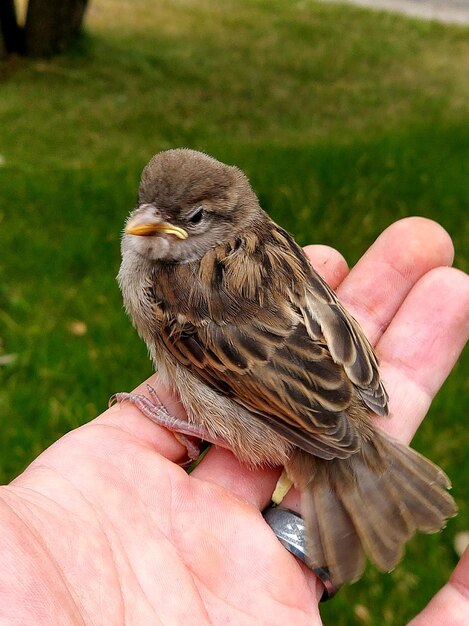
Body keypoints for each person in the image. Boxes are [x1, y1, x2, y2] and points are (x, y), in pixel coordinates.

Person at [0, 217, 467, 625]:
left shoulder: (173, 288)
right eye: (148, 208)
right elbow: (324, 313)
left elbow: (240, 382)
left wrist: (177, 421)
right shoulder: (262, 240)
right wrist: (356, 389)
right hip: (340, 372)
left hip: (278, 408)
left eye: (189, 217)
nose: (146, 221)